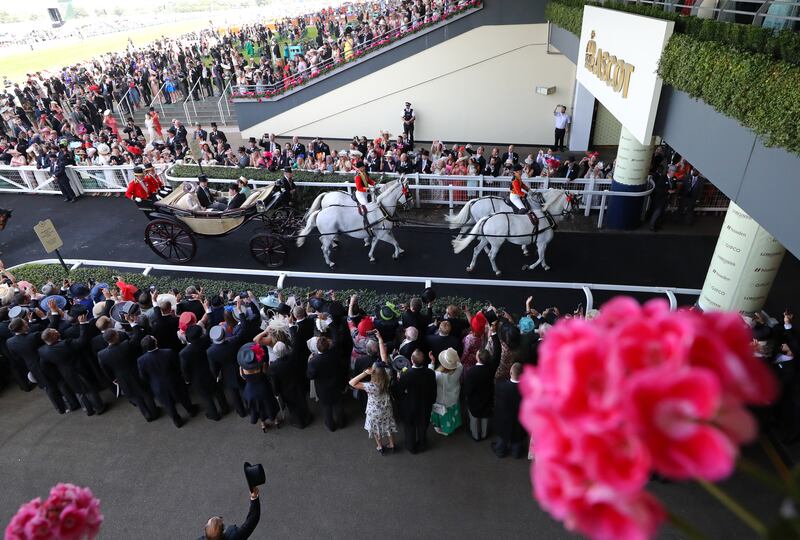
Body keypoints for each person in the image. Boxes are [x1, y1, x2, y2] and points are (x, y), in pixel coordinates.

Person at [97, 329, 159, 422]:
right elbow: (137, 338)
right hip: (136, 373)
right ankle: (154, 411)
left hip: (122, 378)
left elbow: (105, 369)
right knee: (146, 393)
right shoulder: (126, 344)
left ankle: (147, 414)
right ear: (115, 336)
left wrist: (113, 379)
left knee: (135, 397)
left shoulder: (102, 354)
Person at [137, 335, 198, 428]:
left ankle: (177, 421)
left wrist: (152, 382)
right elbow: (177, 365)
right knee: (183, 397)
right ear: (156, 342)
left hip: (158, 385)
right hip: (174, 380)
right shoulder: (168, 352)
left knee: (168, 404)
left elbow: (143, 376)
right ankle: (191, 410)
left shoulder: (141, 360)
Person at [180, 325, 230, 421]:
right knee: (218, 391)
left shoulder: (184, 353)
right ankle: (225, 408)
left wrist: (187, 380)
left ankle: (214, 414)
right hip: (210, 371)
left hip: (196, 378)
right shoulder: (206, 340)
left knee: (206, 397)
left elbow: (184, 368)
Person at [349, 356, 397, 454]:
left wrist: (365, 373)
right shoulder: (388, 375)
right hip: (386, 408)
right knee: (388, 426)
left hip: (374, 411)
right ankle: (392, 444)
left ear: (373, 373)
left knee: (376, 429)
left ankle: (380, 446)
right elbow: (384, 357)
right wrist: (380, 341)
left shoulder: (371, 386)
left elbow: (352, 383)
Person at [396, 349, 436, 453]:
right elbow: (433, 389)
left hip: (410, 406)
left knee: (410, 427)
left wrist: (399, 380)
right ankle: (422, 444)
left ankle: (411, 446)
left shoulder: (406, 374)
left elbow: (399, 391)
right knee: (423, 426)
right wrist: (432, 401)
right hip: (425, 405)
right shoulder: (430, 373)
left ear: (411, 360)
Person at [307, 335, 347, 432]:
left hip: (323, 389)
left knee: (326, 407)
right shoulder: (334, 354)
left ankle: (331, 425)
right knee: (338, 405)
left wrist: (309, 361)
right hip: (336, 384)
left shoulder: (314, 361)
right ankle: (341, 423)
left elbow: (310, 376)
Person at [238, 342, 280, 432]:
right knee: (269, 404)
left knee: (258, 407)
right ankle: (275, 419)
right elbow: (266, 374)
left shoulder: (242, 369)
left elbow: (243, 377)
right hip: (263, 388)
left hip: (250, 391)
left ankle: (263, 423)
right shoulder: (262, 365)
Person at [492, 362, 526, 458]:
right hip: (520, 419)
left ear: (510, 372)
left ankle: (501, 450)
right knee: (518, 436)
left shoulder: (500, 386)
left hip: (504, 418)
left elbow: (497, 401)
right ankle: (516, 452)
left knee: (503, 435)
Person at [429, 348, 463, 436]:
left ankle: (441, 427)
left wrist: (432, 363)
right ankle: (449, 429)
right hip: (453, 398)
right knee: (450, 415)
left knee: (441, 414)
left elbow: (429, 374)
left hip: (440, 399)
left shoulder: (438, 375)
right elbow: (458, 363)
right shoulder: (459, 368)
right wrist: (453, 357)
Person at [463, 349, 495, 441]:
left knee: (474, 419)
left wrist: (466, 395)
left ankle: (476, 435)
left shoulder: (471, 372)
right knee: (485, 417)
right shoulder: (490, 369)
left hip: (474, 400)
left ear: (478, 358)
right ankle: (484, 434)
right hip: (487, 398)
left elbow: (468, 389)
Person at [649, 165, 678, 231]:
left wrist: (675, 190)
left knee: (662, 213)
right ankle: (652, 225)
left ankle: (658, 225)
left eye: (675, 171)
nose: (674, 173)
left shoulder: (674, 178)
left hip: (667, 199)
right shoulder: (662, 178)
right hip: (660, 198)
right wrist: (667, 191)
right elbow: (658, 189)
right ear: (669, 170)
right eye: (673, 171)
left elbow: (675, 186)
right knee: (657, 212)